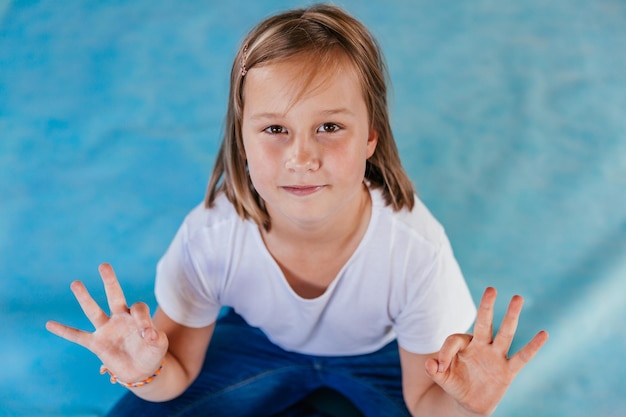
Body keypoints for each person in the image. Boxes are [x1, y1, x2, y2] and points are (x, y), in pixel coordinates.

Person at [46, 4, 548, 417]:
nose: (302, 157)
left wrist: (469, 405)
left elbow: (426, 403)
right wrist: (145, 372)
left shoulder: (416, 250)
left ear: (371, 136)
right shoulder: (210, 237)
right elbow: (172, 380)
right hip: (257, 344)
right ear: (241, 141)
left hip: (383, 358)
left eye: (329, 127)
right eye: (274, 129)